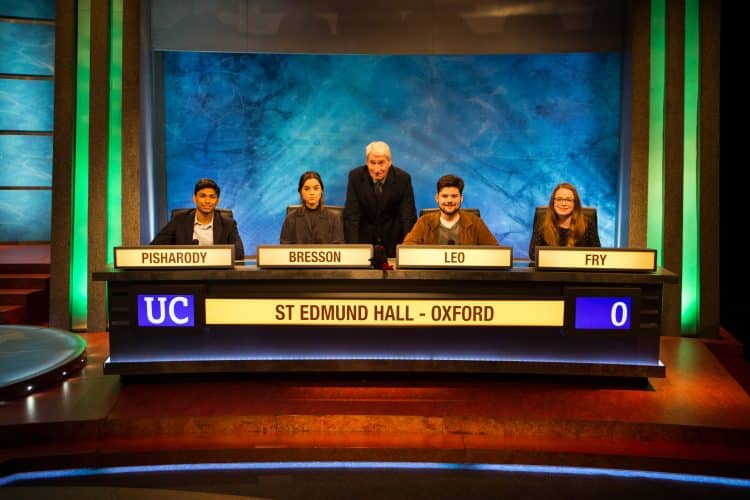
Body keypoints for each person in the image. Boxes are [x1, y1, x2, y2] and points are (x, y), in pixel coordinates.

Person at [343, 141, 417, 257]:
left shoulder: (403, 179)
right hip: (364, 243)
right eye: (372, 163)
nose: (377, 169)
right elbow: (352, 216)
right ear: (367, 162)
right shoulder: (355, 177)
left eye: (381, 163)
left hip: (394, 242)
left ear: (389, 162)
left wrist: (408, 249)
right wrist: (354, 250)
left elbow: (408, 217)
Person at [151, 178, 245, 260]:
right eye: (203, 196)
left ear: (217, 201)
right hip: (186, 275)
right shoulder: (179, 220)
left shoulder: (228, 223)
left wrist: (206, 257)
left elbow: (239, 253)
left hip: (217, 275)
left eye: (212, 197)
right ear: (195, 198)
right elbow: (154, 247)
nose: (207, 201)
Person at [402, 174, 499, 245]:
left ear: (461, 198)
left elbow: (495, 252)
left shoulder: (476, 223)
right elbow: (408, 249)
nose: (449, 200)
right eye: (444, 196)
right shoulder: (424, 222)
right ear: (437, 198)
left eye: (454, 196)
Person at [528, 182, 601, 259]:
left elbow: (596, 256)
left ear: (575, 204)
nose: (563, 203)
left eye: (568, 200)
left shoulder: (588, 225)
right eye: (559, 199)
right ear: (553, 202)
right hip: (550, 270)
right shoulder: (542, 223)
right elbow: (533, 255)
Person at [280, 171, 344, 244]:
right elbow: (284, 249)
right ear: (300, 192)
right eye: (307, 189)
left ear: (321, 191)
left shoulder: (334, 219)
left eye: (316, 188)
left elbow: (339, 249)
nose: (312, 193)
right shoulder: (290, 219)